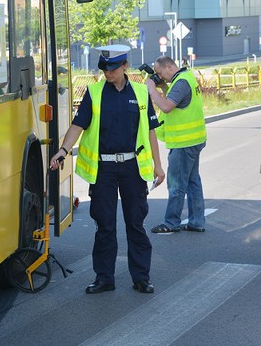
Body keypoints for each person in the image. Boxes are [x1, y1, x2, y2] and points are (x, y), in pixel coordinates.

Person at [50, 44, 165, 294]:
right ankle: (104, 278)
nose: (107, 73)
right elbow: (77, 125)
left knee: (136, 223)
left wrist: (158, 165)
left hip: (133, 168)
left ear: (125, 66)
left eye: (112, 68)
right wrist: (63, 151)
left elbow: (151, 131)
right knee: (105, 225)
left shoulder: (141, 93)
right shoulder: (94, 93)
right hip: (103, 169)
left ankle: (141, 277)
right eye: (104, 68)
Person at [146, 55, 207, 234]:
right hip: (194, 140)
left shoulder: (180, 83)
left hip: (183, 143)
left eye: (160, 73)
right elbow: (177, 99)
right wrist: (162, 87)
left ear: (170, 68)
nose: (160, 76)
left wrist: (152, 89)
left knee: (176, 184)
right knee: (192, 181)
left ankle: (171, 222)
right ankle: (197, 221)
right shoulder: (186, 77)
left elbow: (166, 106)